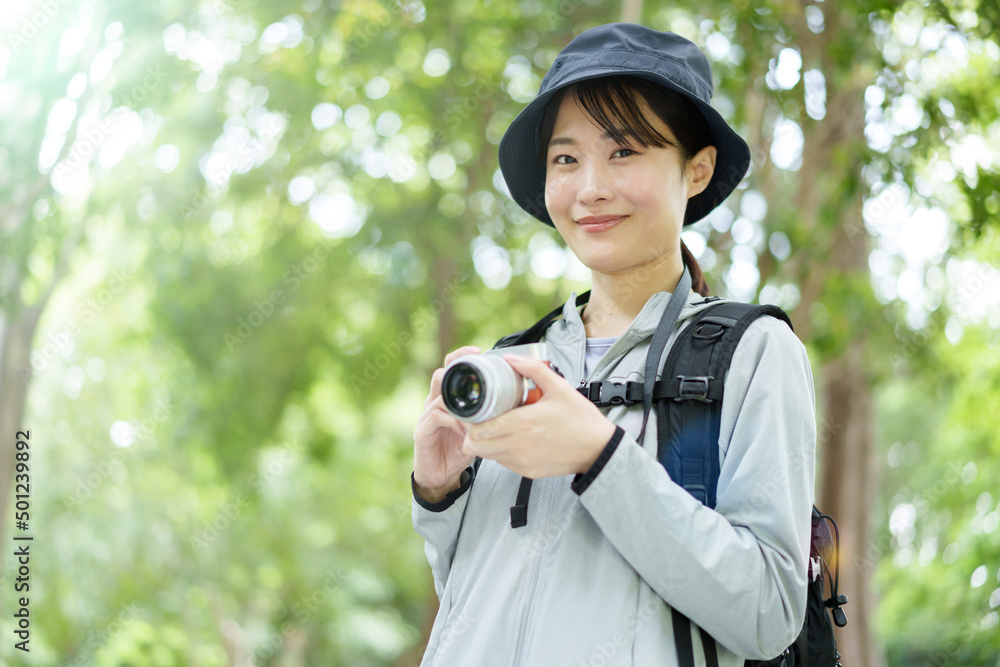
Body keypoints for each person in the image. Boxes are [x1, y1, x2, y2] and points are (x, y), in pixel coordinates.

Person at [411, 22, 816, 667]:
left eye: (623, 152)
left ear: (696, 169)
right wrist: (438, 492)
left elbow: (768, 613)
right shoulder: (518, 361)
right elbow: (471, 597)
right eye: (566, 158)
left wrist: (601, 457)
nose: (591, 187)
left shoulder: (751, 352)